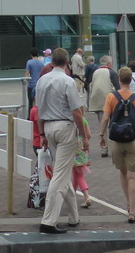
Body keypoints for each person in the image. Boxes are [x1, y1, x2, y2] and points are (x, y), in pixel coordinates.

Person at [36, 47, 90, 234]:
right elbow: (76, 111)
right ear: (67, 63)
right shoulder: (68, 81)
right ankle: (49, 221)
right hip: (65, 128)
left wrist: (42, 134)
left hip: (49, 128)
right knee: (60, 176)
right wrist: (84, 136)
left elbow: (39, 109)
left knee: (62, 171)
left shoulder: (42, 80)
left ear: (51, 63)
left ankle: (74, 216)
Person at [99, 66, 135, 224]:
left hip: (116, 139)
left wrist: (101, 135)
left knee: (122, 173)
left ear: (119, 80)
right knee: (133, 176)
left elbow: (106, 118)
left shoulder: (111, 97)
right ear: (130, 80)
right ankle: (133, 211)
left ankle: (127, 203)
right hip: (132, 138)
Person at [89, 55, 120, 155]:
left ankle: (104, 149)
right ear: (109, 64)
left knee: (102, 126)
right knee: (113, 125)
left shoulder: (95, 72)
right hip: (111, 103)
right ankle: (115, 148)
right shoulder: (112, 72)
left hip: (97, 102)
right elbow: (118, 88)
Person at [72, 114, 92, 208]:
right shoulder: (84, 119)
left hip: (74, 146)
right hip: (83, 147)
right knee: (77, 174)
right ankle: (71, 196)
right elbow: (89, 134)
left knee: (78, 175)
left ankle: (87, 196)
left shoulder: (72, 119)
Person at [25, 48, 43, 115]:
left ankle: (30, 116)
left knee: (30, 101)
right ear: (38, 54)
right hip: (39, 84)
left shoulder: (29, 62)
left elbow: (27, 73)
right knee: (39, 101)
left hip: (31, 84)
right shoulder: (41, 63)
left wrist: (26, 82)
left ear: (31, 55)